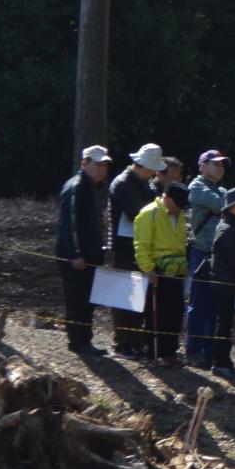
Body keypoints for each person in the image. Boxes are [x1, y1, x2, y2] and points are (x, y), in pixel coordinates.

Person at [108, 146, 166, 359]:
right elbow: (138, 213)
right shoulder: (122, 183)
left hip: (142, 243)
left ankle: (134, 341)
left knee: (140, 295)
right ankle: (123, 343)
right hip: (125, 246)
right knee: (125, 295)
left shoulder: (144, 184)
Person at [54, 145, 113, 354]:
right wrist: (76, 254)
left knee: (88, 301)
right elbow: (69, 224)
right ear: (84, 163)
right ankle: (78, 343)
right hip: (76, 258)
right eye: (97, 164)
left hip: (90, 255)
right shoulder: (76, 187)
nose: (102, 169)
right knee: (77, 301)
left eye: (104, 165)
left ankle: (85, 341)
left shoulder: (90, 188)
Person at [132, 180, 191, 366]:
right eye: (178, 205)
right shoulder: (148, 213)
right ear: (167, 198)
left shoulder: (180, 215)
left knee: (176, 313)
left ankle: (170, 351)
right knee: (156, 314)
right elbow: (141, 245)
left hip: (177, 271)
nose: (180, 209)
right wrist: (148, 269)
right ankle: (154, 352)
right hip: (156, 272)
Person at [182, 150, 230, 364]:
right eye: (215, 164)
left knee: (213, 307)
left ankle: (209, 349)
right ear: (202, 165)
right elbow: (224, 206)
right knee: (199, 304)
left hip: (218, 255)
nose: (220, 168)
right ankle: (194, 350)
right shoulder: (196, 186)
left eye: (222, 165)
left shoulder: (220, 189)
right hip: (201, 252)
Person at [204, 187, 235, 374]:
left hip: (224, 282)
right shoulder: (230, 229)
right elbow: (234, 259)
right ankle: (221, 363)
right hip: (225, 283)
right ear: (230, 207)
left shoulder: (229, 225)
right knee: (223, 325)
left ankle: (222, 361)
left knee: (224, 323)